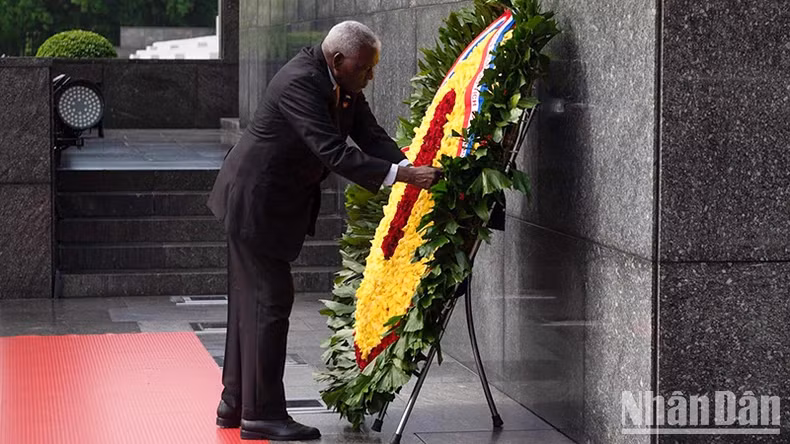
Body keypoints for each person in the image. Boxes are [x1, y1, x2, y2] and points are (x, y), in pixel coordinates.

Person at [207, 21, 441, 441]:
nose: (370, 76)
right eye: (365, 68)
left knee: (252, 303)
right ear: (337, 60)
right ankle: (261, 414)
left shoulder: (341, 82)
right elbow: (332, 151)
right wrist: (402, 176)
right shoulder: (301, 82)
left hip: (266, 203)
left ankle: (235, 402)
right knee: (268, 303)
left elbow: (370, 135)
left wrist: (410, 163)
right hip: (255, 203)